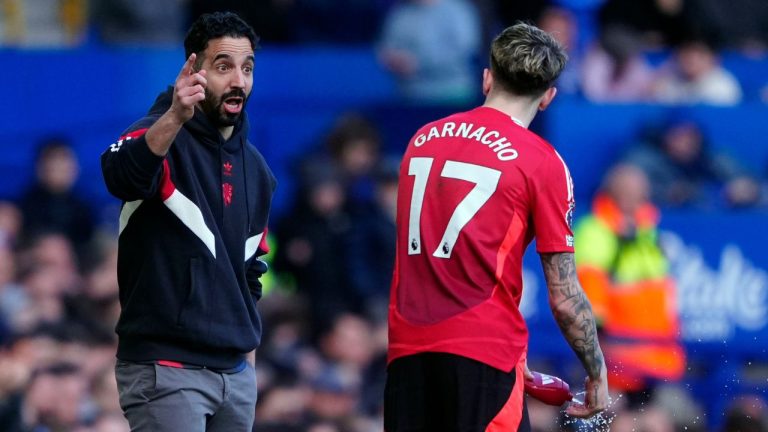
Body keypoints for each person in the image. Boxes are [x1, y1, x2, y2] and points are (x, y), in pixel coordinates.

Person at [385, 23, 609, 432]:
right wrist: (597, 370)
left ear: (487, 78)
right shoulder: (542, 162)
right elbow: (563, 297)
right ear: (548, 98)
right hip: (484, 351)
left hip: (407, 351)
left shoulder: (422, 139)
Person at [100, 12, 276, 431]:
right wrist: (177, 116)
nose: (239, 81)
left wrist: (245, 364)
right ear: (193, 70)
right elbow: (119, 174)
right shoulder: (156, 133)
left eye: (247, 68)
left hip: (234, 378)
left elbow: (252, 272)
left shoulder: (258, 170)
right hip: (166, 370)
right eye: (223, 67)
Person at [573, 164, 683, 429]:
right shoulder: (596, 230)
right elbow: (590, 299)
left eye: (640, 191)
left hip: (656, 360)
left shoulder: (649, 231)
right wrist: (598, 356)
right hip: (616, 359)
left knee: (657, 422)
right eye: (630, 190)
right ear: (614, 192)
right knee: (622, 424)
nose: (637, 196)